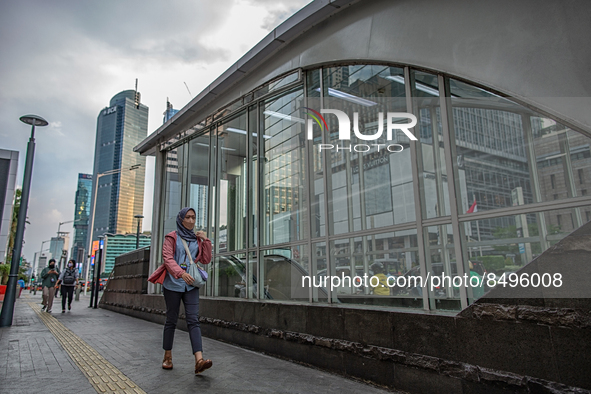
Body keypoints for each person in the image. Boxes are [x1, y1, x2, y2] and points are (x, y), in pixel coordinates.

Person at [148, 207, 213, 374]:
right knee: (171, 319)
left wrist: (206, 241)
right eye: (188, 217)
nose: (191, 220)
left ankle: (199, 360)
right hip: (173, 284)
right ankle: (167, 356)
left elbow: (205, 259)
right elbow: (168, 258)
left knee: (193, 320)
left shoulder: (197, 239)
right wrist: (180, 273)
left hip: (191, 285)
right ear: (181, 219)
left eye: (193, 217)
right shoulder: (172, 237)